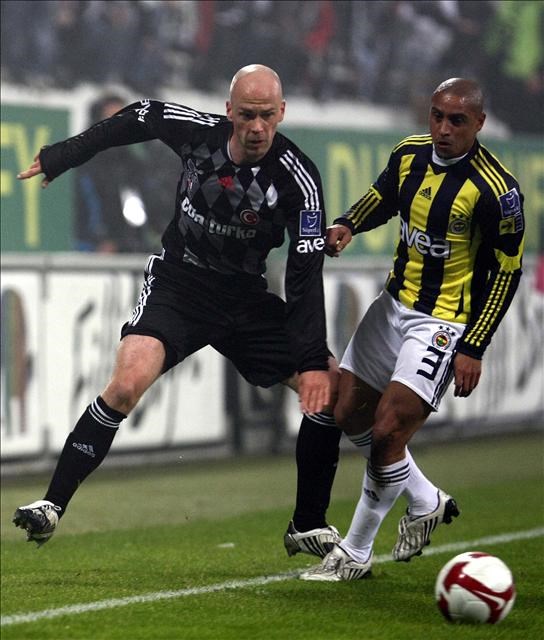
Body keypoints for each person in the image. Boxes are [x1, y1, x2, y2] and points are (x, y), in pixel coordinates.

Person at [12, 65, 343, 558]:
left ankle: (308, 523)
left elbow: (304, 272)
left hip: (245, 298)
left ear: (282, 113)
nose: (256, 128)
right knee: (125, 384)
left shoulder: (299, 179)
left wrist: (312, 358)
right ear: (229, 111)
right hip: (179, 284)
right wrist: (64, 154)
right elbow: (138, 116)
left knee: (333, 391)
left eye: (266, 116)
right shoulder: (198, 133)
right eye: (246, 115)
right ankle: (51, 505)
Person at [301, 78, 525, 581]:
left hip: (442, 321)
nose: (443, 129)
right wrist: (348, 223)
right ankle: (425, 499)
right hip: (393, 303)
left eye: (457, 121)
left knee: (387, 430)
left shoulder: (497, 191)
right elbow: (383, 196)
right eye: (437, 116)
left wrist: (474, 345)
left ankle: (355, 552)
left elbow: (507, 272)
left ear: (479, 123)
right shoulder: (409, 154)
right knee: (346, 411)